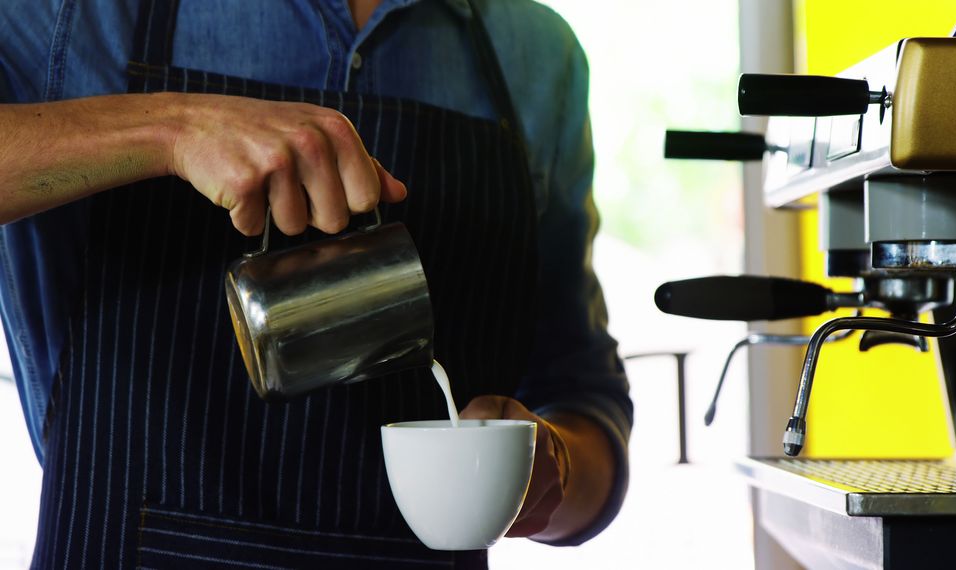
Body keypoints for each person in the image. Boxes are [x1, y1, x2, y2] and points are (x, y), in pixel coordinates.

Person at [0, 0, 632, 568]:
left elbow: (582, 395)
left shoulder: (537, 54)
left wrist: (556, 470)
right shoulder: (71, 13)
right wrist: (170, 128)